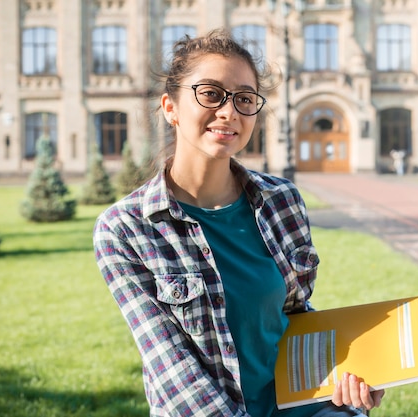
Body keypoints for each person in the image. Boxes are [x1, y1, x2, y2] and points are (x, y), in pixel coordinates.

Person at [93, 28, 385, 417]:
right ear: (170, 107)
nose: (230, 112)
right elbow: (171, 367)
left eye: (245, 99)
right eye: (211, 94)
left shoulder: (282, 201)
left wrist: (353, 370)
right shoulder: (125, 229)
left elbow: (295, 316)